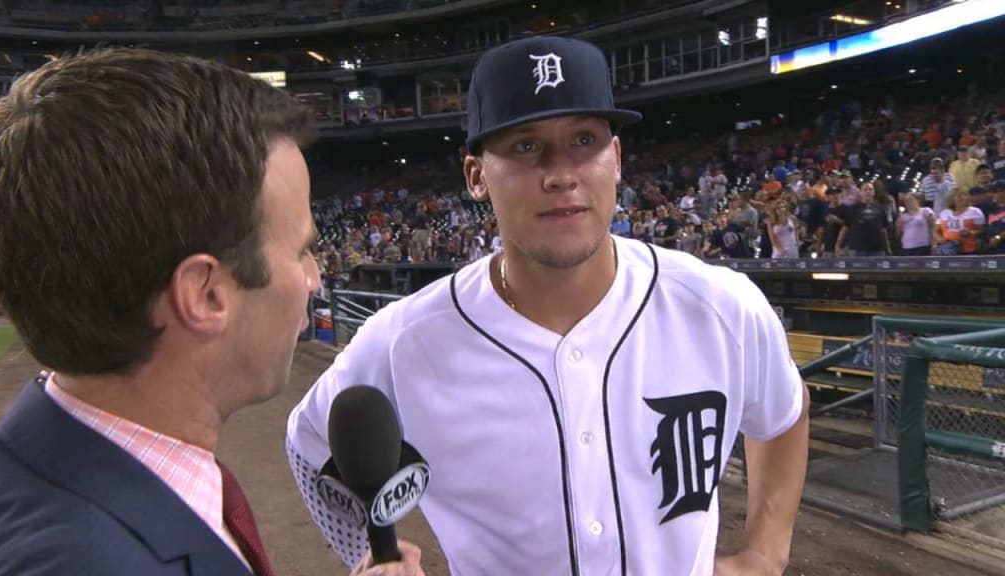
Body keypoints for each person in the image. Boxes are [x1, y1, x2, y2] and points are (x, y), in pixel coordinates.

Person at [287, 35, 809, 576]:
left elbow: (785, 412)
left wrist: (765, 554)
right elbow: (307, 444)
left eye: (584, 139)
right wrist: (369, 555)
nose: (562, 174)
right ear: (475, 176)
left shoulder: (719, 306)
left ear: (617, 158)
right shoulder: (404, 340)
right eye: (526, 146)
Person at [0, 49, 423, 576]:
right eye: (302, 250)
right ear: (206, 293)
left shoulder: (42, 480)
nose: (314, 279)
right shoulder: (90, 560)